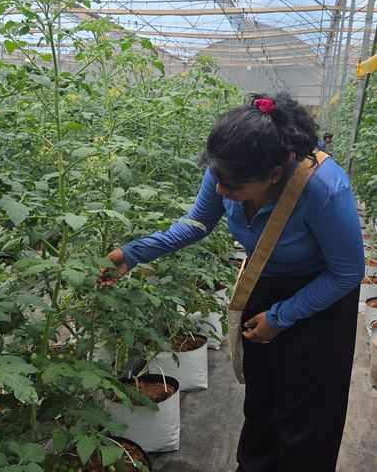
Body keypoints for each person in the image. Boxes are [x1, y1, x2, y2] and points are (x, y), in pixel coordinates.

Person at [104, 93, 364, 472]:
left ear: (274, 174)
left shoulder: (324, 188)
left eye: (234, 186)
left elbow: (346, 272)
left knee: (305, 413)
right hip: (264, 282)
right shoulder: (227, 170)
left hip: (321, 299)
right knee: (261, 399)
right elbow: (196, 224)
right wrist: (133, 254)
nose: (222, 190)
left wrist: (281, 316)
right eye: (218, 179)